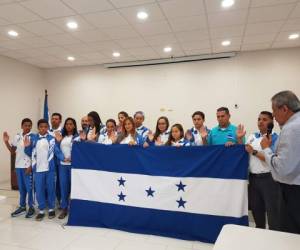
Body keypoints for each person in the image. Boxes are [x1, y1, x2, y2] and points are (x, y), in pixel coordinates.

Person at [261, 90, 300, 233]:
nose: (274, 117)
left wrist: (266, 149)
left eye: (274, 112)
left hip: (293, 191)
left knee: (290, 235)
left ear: (284, 109)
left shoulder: (292, 129)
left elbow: (282, 168)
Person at [24, 119, 66, 221]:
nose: (43, 128)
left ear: (47, 128)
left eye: (45, 126)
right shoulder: (33, 138)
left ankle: (51, 209)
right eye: (41, 126)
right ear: (38, 128)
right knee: (39, 190)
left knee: (51, 189)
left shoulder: (51, 138)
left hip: (50, 169)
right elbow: (30, 152)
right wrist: (27, 147)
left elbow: (56, 151)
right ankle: (41, 210)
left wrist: (63, 158)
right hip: (38, 170)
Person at [245, 111, 280, 230]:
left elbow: (271, 159)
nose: (261, 122)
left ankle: (274, 238)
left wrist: (253, 152)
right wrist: (240, 140)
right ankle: (259, 235)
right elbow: (244, 152)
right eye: (259, 119)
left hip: (269, 179)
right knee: (256, 209)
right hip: (253, 179)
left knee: (272, 212)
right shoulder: (252, 137)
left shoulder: (275, 138)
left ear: (271, 122)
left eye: (264, 119)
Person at [3, 118, 35, 218]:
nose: (28, 127)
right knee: (21, 189)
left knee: (29, 189)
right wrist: (6, 142)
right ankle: (22, 207)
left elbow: (35, 154)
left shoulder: (33, 137)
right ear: (22, 126)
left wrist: (31, 166)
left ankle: (31, 207)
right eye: (25, 125)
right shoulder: (17, 136)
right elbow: (12, 152)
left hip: (27, 167)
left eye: (29, 125)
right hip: (18, 167)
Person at [54, 118, 78, 219]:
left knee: (74, 187)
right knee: (64, 188)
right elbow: (56, 149)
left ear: (74, 126)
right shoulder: (61, 137)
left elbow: (80, 150)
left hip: (74, 166)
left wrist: (73, 157)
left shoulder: (77, 137)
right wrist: (63, 158)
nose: (69, 126)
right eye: (67, 124)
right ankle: (64, 209)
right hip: (63, 165)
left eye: (71, 124)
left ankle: (74, 208)